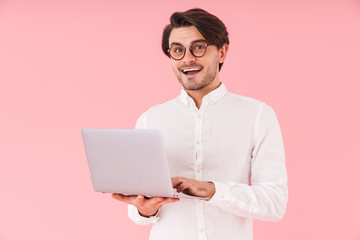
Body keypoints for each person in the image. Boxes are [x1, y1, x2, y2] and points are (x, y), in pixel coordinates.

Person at [112, 8, 288, 240]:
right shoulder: (150, 119)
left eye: (198, 47)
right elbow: (136, 215)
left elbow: (274, 203)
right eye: (177, 50)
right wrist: (144, 210)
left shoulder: (257, 115)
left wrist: (212, 190)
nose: (187, 58)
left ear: (222, 52)